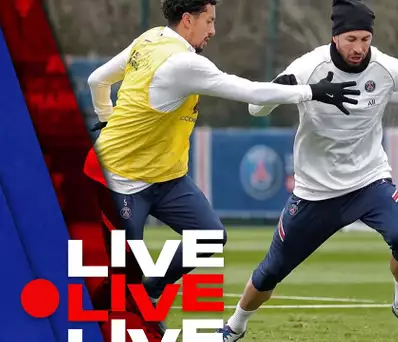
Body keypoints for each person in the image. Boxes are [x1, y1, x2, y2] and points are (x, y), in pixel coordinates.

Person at [219, 0, 398, 341]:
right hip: (315, 193)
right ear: (335, 37)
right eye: (351, 39)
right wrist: (291, 90)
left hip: (370, 181)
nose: (359, 48)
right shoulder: (309, 66)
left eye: (365, 40)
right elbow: (255, 107)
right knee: (271, 272)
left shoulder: (385, 68)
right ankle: (235, 326)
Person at [82, 0, 360, 336]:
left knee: (209, 234)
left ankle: (152, 284)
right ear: (187, 20)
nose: (213, 30)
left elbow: (98, 80)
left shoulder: (150, 38)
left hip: (166, 177)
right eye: (209, 21)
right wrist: (313, 91)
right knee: (115, 286)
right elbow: (249, 91)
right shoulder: (182, 63)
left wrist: (104, 118)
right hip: (118, 180)